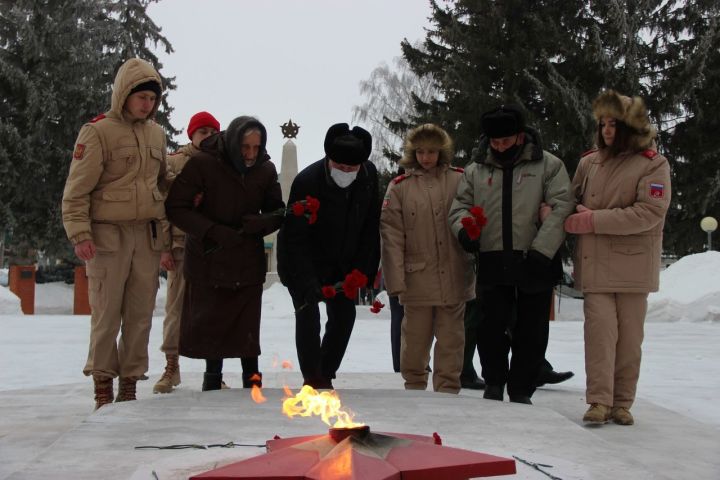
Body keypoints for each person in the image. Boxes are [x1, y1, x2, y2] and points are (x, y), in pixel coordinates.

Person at [61, 58, 172, 409]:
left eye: (152, 100)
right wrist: (80, 234)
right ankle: (103, 388)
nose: (147, 105)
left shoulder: (156, 134)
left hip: (146, 238)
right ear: (124, 94)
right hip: (107, 237)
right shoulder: (97, 132)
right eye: (141, 97)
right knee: (107, 315)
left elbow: (163, 184)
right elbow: (76, 190)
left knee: (140, 317)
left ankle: (129, 387)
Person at [448, 104, 573, 404]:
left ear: (519, 136)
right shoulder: (476, 170)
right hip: (492, 259)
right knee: (490, 329)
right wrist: (465, 231)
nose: (499, 146)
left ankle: (521, 390)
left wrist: (542, 252)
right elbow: (459, 207)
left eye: (505, 141)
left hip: (535, 260)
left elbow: (561, 207)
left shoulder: (549, 165)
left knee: (531, 331)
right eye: (494, 141)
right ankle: (494, 383)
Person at [567, 90, 671, 425]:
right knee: (599, 335)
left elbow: (649, 211)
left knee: (629, 341)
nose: (607, 130)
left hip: (633, 266)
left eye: (614, 124)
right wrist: (555, 211)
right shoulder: (589, 162)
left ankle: (622, 402)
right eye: (602, 124)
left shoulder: (654, 163)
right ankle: (599, 400)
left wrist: (593, 220)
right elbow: (570, 200)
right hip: (596, 265)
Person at [165, 116, 284, 391]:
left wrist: (260, 223)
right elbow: (177, 207)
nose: (251, 154)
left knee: (247, 331)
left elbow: (278, 211)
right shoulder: (204, 164)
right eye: (245, 147)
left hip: (246, 261)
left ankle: (253, 385)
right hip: (210, 258)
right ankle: (212, 381)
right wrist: (212, 231)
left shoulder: (265, 170)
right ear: (233, 141)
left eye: (256, 147)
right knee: (212, 328)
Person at [277, 123, 380, 390]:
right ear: (328, 159)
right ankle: (312, 379)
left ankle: (326, 372)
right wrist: (306, 281)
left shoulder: (368, 176)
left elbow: (370, 228)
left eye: (351, 169)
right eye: (340, 167)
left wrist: (363, 274)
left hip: (346, 262)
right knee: (308, 316)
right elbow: (295, 238)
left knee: (345, 316)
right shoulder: (307, 181)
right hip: (304, 261)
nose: (345, 172)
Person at [380, 124, 475, 393]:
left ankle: (447, 391)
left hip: (454, 275)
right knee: (415, 341)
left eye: (432, 151)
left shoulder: (460, 180)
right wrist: (395, 281)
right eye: (420, 151)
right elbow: (392, 236)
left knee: (451, 341)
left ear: (442, 152)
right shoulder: (399, 187)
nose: (426, 158)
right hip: (416, 279)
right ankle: (414, 386)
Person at [153, 111, 220, 394]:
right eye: (201, 131)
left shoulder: (222, 163)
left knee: (213, 310)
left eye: (212, 131)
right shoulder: (174, 163)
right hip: (181, 245)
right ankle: (171, 365)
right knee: (176, 309)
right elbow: (163, 209)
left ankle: (213, 371)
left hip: (212, 247)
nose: (207, 136)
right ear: (191, 134)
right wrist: (164, 247)